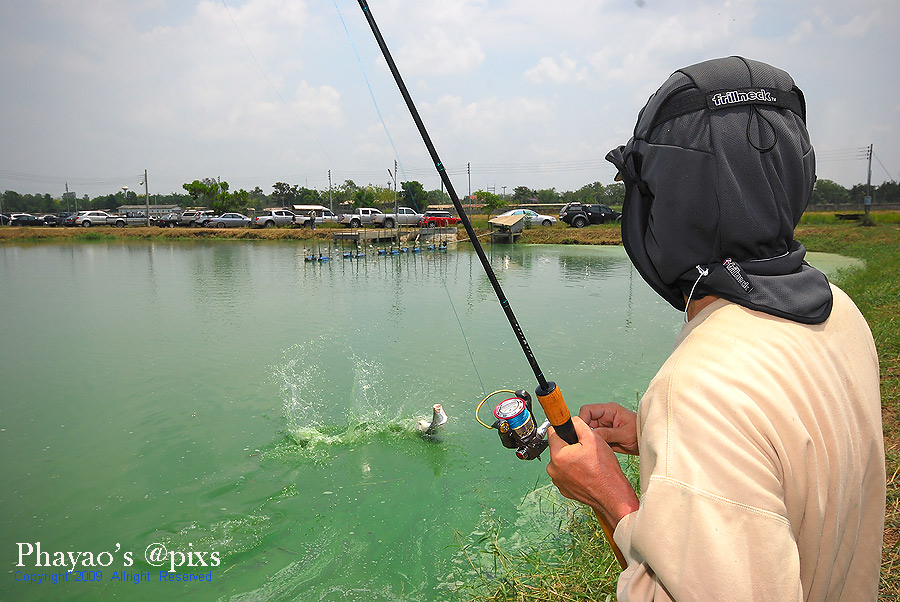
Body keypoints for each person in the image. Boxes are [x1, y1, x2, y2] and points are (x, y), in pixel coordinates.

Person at [546, 56, 885, 601]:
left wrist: (607, 494)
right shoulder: (841, 312)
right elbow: (796, 458)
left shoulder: (699, 390)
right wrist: (657, 439)